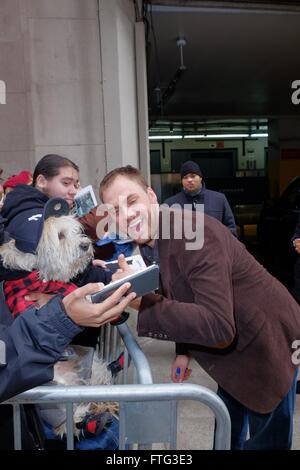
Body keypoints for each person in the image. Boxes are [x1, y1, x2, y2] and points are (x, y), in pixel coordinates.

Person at [99, 165, 300, 450]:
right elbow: (184, 295)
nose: (126, 214)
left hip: (268, 345)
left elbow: (218, 325)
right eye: (115, 210)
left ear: (151, 196)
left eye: (131, 201)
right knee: (229, 429)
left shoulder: (195, 234)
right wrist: (184, 352)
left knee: (265, 439)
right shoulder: (154, 239)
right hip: (234, 353)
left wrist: (142, 303)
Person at [164, 160, 237, 236]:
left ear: (200, 178)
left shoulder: (219, 199)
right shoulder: (170, 204)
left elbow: (231, 230)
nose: (189, 180)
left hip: (213, 247)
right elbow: (165, 235)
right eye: (185, 177)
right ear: (182, 181)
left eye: (193, 176)